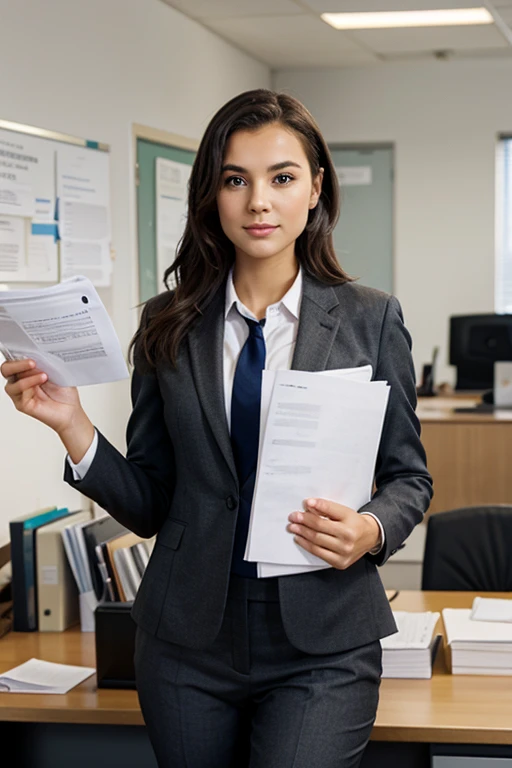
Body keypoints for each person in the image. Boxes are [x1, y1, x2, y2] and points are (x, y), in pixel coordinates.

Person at [1, 89, 432, 768]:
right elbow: (150, 503)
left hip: (322, 641)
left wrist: (373, 527)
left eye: (282, 178)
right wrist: (74, 425)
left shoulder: (368, 319)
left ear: (316, 188)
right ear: (212, 194)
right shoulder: (168, 324)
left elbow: (409, 476)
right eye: (236, 180)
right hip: (186, 645)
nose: (259, 201)